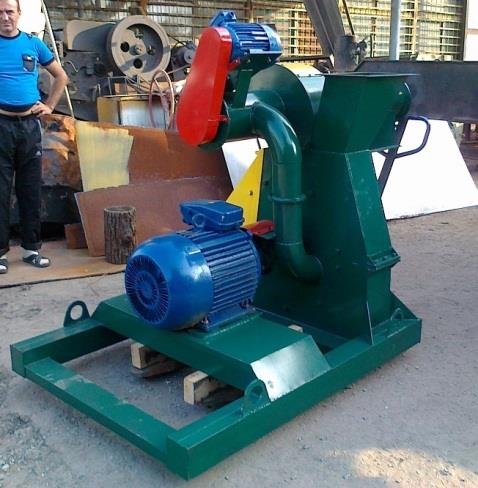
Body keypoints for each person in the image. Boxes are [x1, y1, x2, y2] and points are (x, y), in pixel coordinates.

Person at [0, 0, 68, 274]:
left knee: (30, 189)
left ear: (19, 14)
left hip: (29, 126)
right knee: (0, 190)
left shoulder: (33, 44)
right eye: (0, 12)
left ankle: (31, 249)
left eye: (9, 11)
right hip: (1, 126)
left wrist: (49, 106)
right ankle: (0, 253)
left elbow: (61, 76)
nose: (5, 17)